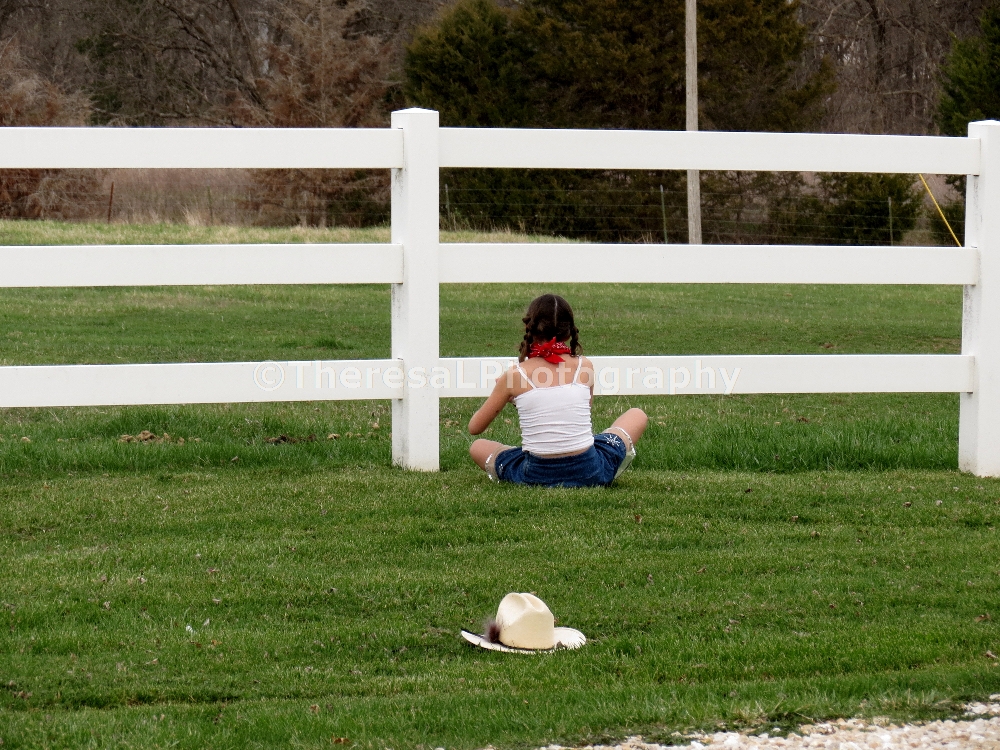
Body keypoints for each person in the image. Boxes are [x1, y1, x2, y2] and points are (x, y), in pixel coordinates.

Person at [469, 293, 647, 487]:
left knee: (478, 447)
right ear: (569, 332)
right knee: (637, 415)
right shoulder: (584, 366)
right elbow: (581, 411)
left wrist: (507, 394)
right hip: (590, 470)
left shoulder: (514, 375)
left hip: (536, 473)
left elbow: (474, 428)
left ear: (530, 329)